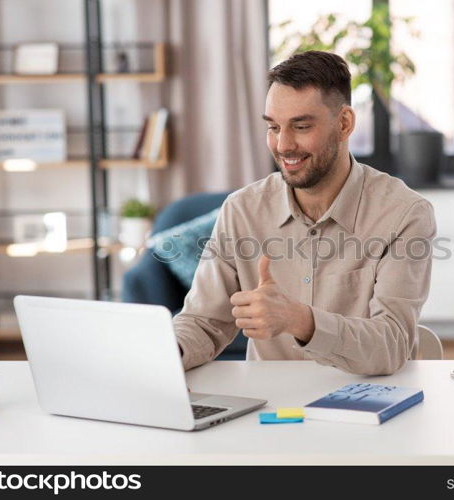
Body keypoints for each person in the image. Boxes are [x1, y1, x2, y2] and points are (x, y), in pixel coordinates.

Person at [173, 50, 436, 375]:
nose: (283, 145)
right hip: (269, 410)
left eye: (300, 126)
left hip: (369, 408)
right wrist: (166, 352)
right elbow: (203, 323)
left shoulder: (403, 214)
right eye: (273, 127)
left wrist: (298, 319)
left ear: (344, 123)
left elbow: (391, 345)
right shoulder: (242, 210)